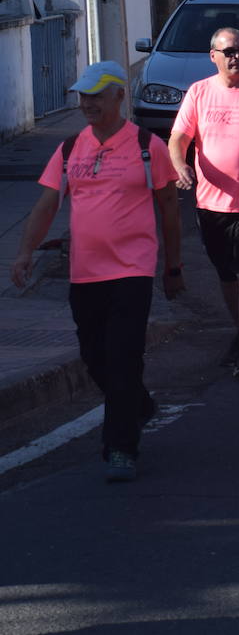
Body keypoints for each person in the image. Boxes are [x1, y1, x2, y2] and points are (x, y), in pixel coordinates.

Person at [11, 62, 182, 482]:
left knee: (123, 357)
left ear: (118, 96)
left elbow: (169, 210)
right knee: (94, 357)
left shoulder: (146, 145)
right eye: (83, 96)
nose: (87, 104)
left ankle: (120, 446)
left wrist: (173, 265)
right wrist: (24, 252)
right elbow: (47, 204)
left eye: (96, 96)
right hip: (85, 273)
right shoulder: (70, 148)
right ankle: (137, 405)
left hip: (132, 271)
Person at [168, 28, 239, 379]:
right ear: (212, 55)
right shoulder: (199, 92)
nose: (236, 58)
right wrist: (180, 163)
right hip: (211, 205)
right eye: (229, 51)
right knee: (226, 274)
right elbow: (178, 138)